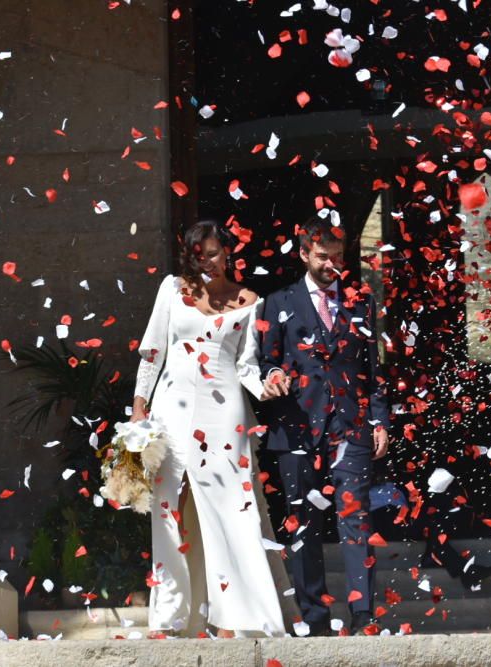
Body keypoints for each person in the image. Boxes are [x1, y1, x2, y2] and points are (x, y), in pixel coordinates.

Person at [131, 220, 287, 638]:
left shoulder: (250, 300)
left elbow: (247, 365)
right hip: (171, 407)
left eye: (215, 252)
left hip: (225, 413)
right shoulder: (171, 289)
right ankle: (170, 617)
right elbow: (152, 351)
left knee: (231, 509)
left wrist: (266, 386)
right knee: (169, 508)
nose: (208, 261)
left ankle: (236, 615)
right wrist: (138, 410)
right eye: (199, 255)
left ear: (228, 252)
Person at [258, 219, 390, 636]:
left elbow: (374, 369)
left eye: (337, 255)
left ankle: (363, 614)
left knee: (356, 519)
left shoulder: (361, 302)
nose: (332, 263)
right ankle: (313, 618)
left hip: (350, 426)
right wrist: (274, 373)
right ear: (303, 254)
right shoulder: (277, 301)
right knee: (303, 523)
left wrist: (380, 419)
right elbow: (265, 360)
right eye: (322, 256)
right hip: (296, 427)